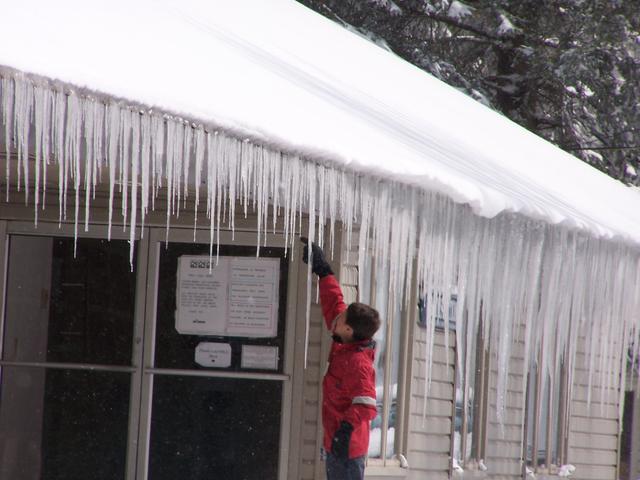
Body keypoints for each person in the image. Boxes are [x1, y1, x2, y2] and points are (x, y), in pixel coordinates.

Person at [301, 237, 381, 480]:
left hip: (348, 449)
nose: (337, 316)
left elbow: (367, 404)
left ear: (348, 330)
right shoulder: (344, 341)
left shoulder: (358, 363)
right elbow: (334, 302)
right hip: (335, 441)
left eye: (342, 318)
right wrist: (324, 271)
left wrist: (345, 430)